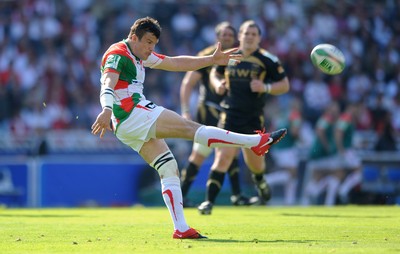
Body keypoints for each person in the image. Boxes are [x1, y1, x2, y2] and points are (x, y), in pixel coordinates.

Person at [91, 17, 287, 239]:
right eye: (147, 42)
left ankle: (181, 228)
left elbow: (175, 63)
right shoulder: (118, 54)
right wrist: (106, 109)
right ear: (133, 37)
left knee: (168, 167)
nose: (150, 48)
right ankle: (256, 142)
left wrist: (211, 59)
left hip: (126, 124)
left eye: (154, 44)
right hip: (130, 112)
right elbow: (107, 83)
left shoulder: (138, 54)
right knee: (190, 128)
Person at [197, 20, 290, 215]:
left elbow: (284, 85)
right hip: (229, 115)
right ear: (239, 35)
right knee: (222, 158)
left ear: (259, 38)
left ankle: (260, 181)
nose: (249, 37)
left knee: (255, 164)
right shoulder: (231, 55)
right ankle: (208, 203)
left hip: (253, 119)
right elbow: (215, 72)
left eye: (253, 34)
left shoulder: (267, 59)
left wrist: (265, 87)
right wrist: (218, 84)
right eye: (246, 33)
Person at [179, 21, 251, 207]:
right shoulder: (206, 56)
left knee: (230, 151)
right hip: (209, 109)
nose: (226, 37)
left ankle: (237, 196)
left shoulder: (242, 57)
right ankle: (182, 197)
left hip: (232, 111)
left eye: (229, 34)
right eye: (223, 34)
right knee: (202, 153)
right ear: (217, 37)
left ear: (235, 37)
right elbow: (188, 83)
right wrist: (186, 110)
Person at [301, 102, 341, 206]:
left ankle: (314, 193)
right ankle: (315, 193)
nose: (335, 111)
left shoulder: (331, 120)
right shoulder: (326, 118)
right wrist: (327, 145)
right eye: (334, 108)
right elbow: (320, 130)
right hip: (319, 154)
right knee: (336, 173)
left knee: (323, 176)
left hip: (322, 154)